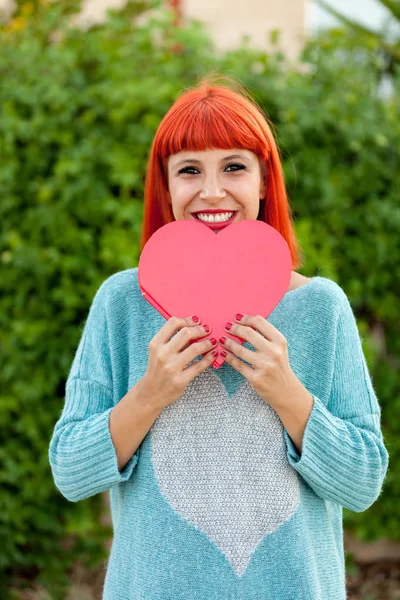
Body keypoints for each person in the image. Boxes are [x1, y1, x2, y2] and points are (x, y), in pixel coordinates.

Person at [48, 75, 389, 600]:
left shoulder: (322, 308)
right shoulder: (121, 304)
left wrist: (286, 390)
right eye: (189, 170)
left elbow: (364, 482)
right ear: (165, 186)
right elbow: (70, 470)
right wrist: (151, 391)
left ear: (262, 182)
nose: (212, 190)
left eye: (234, 167)